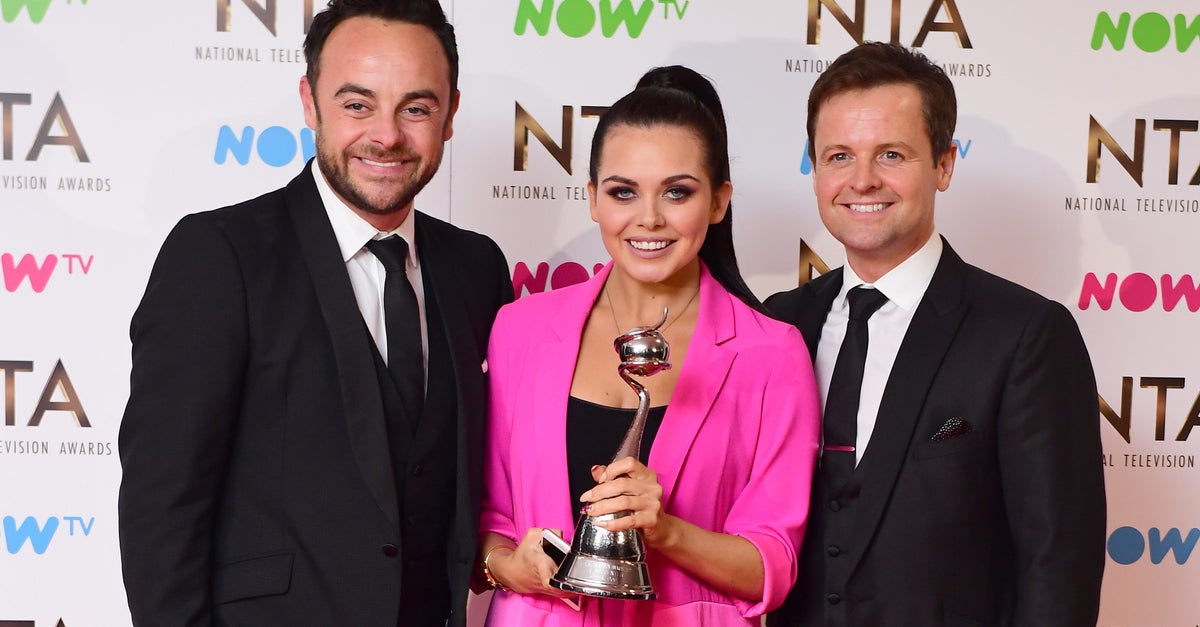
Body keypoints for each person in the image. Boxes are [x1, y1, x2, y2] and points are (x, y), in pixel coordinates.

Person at [117, 1, 513, 625]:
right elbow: (161, 505)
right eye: (357, 105)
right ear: (309, 103)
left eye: (415, 108)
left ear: (450, 114)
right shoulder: (220, 255)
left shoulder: (477, 268)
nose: (387, 135)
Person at [766, 42, 1106, 627]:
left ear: (944, 165)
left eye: (890, 154)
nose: (862, 180)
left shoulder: (1025, 334)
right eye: (839, 156)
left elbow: (1059, 568)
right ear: (815, 170)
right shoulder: (780, 323)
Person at [475, 65, 820, 626]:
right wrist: (509, 568)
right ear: (593, 198)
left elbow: (771, 566)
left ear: (719, 201)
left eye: (677, 192)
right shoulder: (521, 329)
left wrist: (666, 531)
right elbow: (488, 516)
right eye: (623, 192)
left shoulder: (770, 353)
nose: (650, 218)